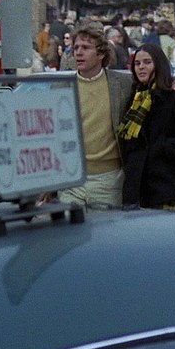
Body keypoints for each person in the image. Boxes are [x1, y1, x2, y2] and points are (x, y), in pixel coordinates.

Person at [51, 24, 134, 210]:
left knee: (104, 228)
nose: (79, 52)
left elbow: (152, 91)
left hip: (108, 179)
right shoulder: (61, 87)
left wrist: (173, 85)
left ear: (101, 53)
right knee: (70, 227)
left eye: (86, 48)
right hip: (72, 178)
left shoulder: (122, 84)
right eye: (76, 48)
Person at [119, 43, 175, 211]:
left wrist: (161, 147)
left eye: (147, 62)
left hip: (170, 189)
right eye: (137, 63)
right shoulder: (135, 100)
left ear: (159, 65)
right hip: (138, 191)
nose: (141, 67)